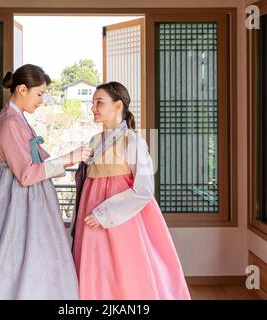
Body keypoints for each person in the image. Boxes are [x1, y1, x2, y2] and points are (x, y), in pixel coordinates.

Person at [0, 64, 91, 300]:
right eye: (39, 94)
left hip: (18, 198)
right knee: (9, 257)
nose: (41, 100)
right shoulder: (10, 122)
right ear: (22, 89)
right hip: (9, 199)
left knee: (21, 258)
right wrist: (69, 158)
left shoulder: (17, 118)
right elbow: (25, 174)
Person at [71, 81, 190, 300]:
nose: (93, 108)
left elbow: (144, 189)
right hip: (90, 218)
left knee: (125, 274)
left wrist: (103, 213)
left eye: (99, 102)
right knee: (96, 271)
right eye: (92, 103)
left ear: (117, 106)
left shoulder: (133, 141)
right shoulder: (95, 140)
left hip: (121, 221)